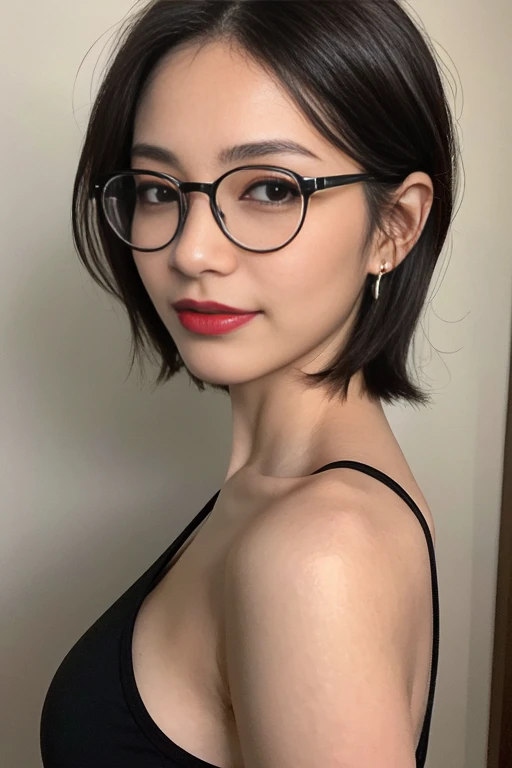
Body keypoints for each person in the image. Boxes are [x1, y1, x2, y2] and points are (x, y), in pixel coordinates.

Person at [40, 1, 459, 766]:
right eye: (158, 188)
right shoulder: (277, 497)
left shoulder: (318, 555)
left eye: (270, 189)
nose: (192, 251)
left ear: (394, 226)